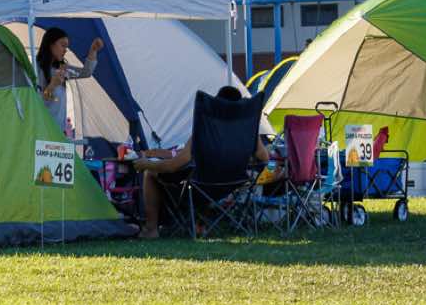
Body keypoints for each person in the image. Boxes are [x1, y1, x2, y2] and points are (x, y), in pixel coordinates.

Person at [131, 85, 272, 239]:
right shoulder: (247, 131)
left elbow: (174, 165)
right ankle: (199, 224)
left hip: (200, 187)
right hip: (230, 187)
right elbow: (264, 158)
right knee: (193, 180)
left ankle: (151, 229)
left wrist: (146, 164)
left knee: (151, 173)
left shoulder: (205, 130)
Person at [35, 27, 104, 136]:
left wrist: (93, 50)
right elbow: (36, 102)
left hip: (59, 132)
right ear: (51, 44)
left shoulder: (63, 69)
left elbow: (86, 72)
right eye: (63, 45)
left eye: (66, 47)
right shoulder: (36, 68)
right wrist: (52, 86)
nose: (65, 50)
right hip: (43, 131)